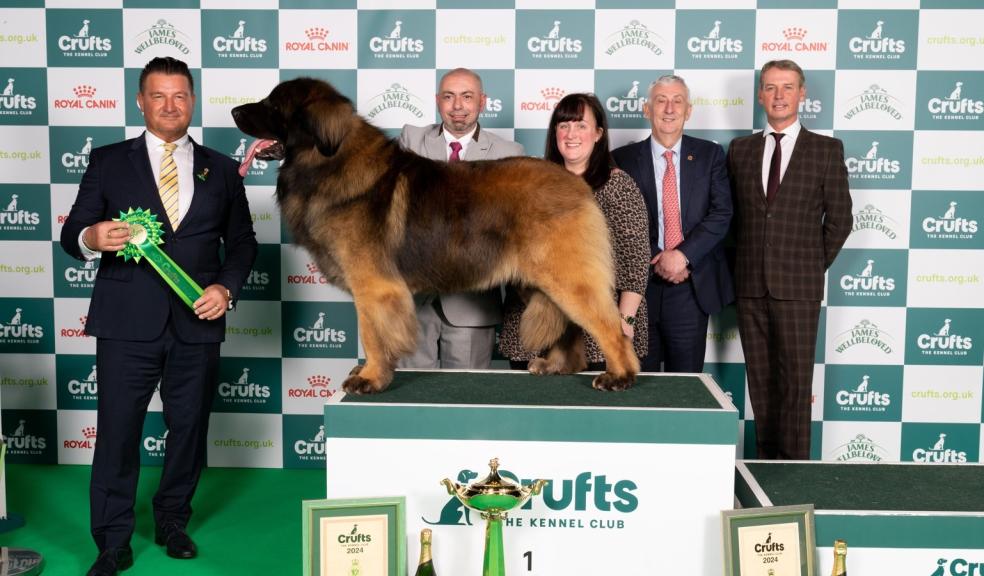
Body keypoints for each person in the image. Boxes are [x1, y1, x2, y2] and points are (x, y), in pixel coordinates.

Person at [60, 56, 258, 576]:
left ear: (191, 100)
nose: (171, 105)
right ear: (141, 101)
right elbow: (72, 232)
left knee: (189, 429)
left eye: (180, 96)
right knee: (117, 432)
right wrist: (90, 238)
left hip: (198, 322)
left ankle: (173, 521)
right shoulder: (107, 161)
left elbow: (242, 244)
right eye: (159, 96)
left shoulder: (220, 168)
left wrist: (226, 287)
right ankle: (112, 540)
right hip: (127, 323)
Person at [727, 59, 852, 460]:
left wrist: (810, 265)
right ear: (760, 95)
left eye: (787, 87)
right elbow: (731, 220)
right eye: (770, 87)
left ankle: (795, 478)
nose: (778, 95)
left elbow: (841, 220)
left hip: (798, 287)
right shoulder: (740, 150)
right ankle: (767, 476)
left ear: (802, 94)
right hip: (749, 286)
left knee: (796, 387)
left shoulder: (826, 150)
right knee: (760, 386)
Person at [499, 93, 649, 371]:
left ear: (598, 134)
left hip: (595, 331)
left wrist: (624, 321)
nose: (571, 134)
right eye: (564, 125)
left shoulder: (618, 186)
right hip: (534, 326)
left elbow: (635, 261)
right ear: (555, 132)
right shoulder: (533, 185)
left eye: (581, 125)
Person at [398, 68, 525, 369]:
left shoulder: (509, 153)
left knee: (465, 400)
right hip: (412, 300)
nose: (457, 106)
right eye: (449, 96)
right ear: (437, 101)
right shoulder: (411, 140)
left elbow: (508, 229)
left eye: (467, 97)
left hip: (472, 303)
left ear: (482, 102)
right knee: (409, 398)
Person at [612, 75, 733, 373]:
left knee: (687, 386)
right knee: (641, 385)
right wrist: (659, 258)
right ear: (646, 109)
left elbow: (721, 213)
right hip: (639, 288)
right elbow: (617, 220)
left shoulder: (710, 155)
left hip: (691, 286)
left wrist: (681, 256)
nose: (669, 108)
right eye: (661, 101)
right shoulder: (621, 159)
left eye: (677, 101)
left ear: (688, 110)